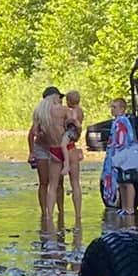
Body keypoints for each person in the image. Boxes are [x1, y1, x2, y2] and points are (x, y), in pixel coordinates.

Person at [27, 85, 66, 229]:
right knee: (44, 181)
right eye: (59, 97)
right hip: (43, 148)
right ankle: (45, 213)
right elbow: (31, 134)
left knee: (59, 182)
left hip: (56, 147)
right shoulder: (41, 113)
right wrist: (32, 152)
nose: (61, 100)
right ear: (53, 98)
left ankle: (60, 212)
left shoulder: (61, 112)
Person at [100, 96, 138, 213]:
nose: (112, 110)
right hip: (116, 156)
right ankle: (124, 207)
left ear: (122, 109)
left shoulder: (123, 121)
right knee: (121, 182)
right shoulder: (116, 122)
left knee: (128, 181)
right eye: (111, 107)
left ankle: (130, 207)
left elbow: (124, 140)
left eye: (114, 107)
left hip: (124, 155)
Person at [61, 90, 85, 227]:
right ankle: (78, 214)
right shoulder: (81, 110)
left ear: (69, 101)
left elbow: (74, 121)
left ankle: (66, 164)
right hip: (74, 145)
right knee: (75, 183)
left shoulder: (73, 111)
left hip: (70, 138)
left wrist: (66, 122)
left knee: (63, 144)